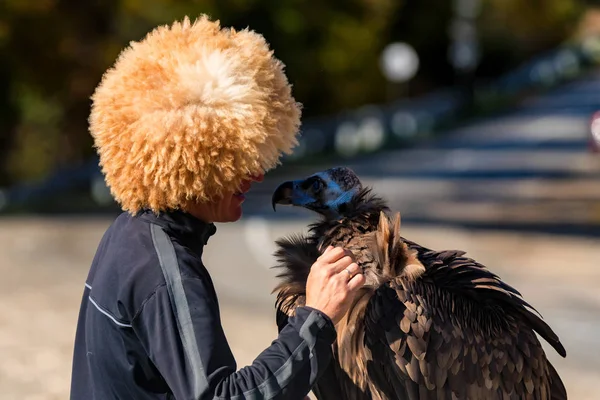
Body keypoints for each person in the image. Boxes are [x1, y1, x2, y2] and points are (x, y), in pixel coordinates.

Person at [69, 15, 365, 400]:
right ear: (191, 164)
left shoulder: (128, 234)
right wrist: (317, 317)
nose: (256, 176)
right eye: (234, 162)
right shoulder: (166, 272)